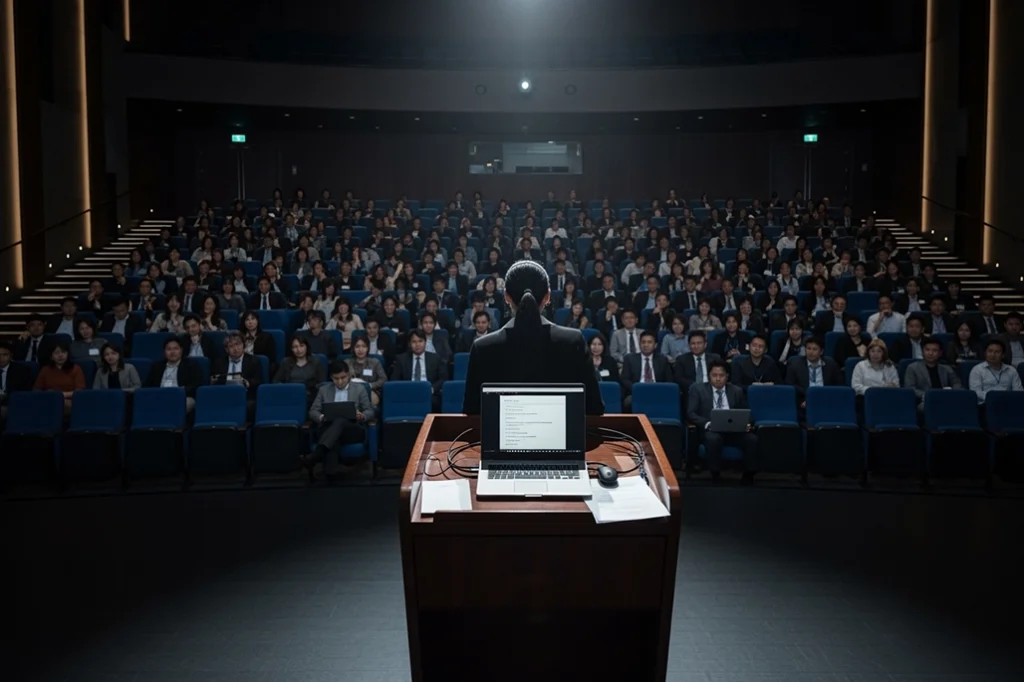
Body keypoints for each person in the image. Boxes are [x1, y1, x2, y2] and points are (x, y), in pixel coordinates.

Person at [462, 260, 604, 415]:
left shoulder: (482, 347)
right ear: (547, 296)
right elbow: (594, 409)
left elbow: (471, 413)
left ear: (506, 297)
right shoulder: (573, 341)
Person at [686, 359, 757, 484]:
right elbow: (691, 414)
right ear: (709, 376)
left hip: (733, 431)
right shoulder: (698, 389)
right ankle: (715, 474)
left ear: (727, 377)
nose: (718, 379)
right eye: (714, 375)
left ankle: (749, 475)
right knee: (713, 439)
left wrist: (747, 424)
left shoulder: (736, 391)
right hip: (711, 430)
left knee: (752, 439)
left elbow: (746, 413)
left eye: (721, 375)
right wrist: (708, 424)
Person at [302, 360, 375, 481]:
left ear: (349, 375)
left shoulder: (359, 389)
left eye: (343, 377)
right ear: (331, 377)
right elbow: (313, 411)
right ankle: (331, 476)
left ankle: (317, 454)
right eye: (336, 378)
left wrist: (362, 415)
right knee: (333, 437)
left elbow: (370, 411)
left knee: (340, 421)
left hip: (352, 430)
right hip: (328, 428)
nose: (340, 382)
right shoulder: (324, 390)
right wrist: (321, 417)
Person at [391, 330, 447, 411]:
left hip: (428, 393)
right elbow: (394, 380)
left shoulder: (435, 358)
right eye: (414, 342)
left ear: (425, 342)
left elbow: (443, 378)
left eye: (420, 341)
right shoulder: (401, 359)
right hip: (408, 393)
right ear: (409, 344)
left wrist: (432, 388)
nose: (417, 345)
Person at [144, 336, 202, 412]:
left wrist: (182, 390)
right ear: (164, 352)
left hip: (182, 396)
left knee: (184, 403)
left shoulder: (191, 365)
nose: (172, 352)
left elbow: (196, 384)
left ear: (181, 350)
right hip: (160, 396)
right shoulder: (157, 367)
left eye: (175, 349)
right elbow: (147, 385)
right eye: (169, 349)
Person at [210, 332, 263, 414]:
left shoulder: (253, 361)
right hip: (224, 395)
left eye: (238, 344)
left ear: (243, 345)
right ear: (226, 350)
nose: (236, 348)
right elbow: (215, 380)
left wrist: (247, 383)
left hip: (245, 396)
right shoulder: (219, 363)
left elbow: (259, 381)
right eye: (231, 346)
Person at [785, 337, 843, 408]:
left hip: (827, 400)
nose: (811, 352)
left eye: (814, 349)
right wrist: (801, 401)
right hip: (804, 401)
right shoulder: (795, 365)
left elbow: (839, 385)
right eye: (808, 348)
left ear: (821, 351)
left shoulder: (830, 364)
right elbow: (790, 386)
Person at [620, 330, 672, 408]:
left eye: (649, 342)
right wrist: (638, 389)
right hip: (637, 392)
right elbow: (624, 379)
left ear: (655, 345)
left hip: (657, 392)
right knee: (628, 401)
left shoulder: (662, 360)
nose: (646, 345)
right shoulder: (630, 359)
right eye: (643, 342)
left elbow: (669, 380)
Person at [904, 338, 961, 409]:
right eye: (927, 350)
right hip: (924, 401)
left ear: (940, 353)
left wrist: (951, 391)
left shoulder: (946, 368)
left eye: (934, 350)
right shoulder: (912, 368)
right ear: (922, 351)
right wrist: (929, 395)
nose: (930, 353)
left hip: (945, 398)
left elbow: (957, 383)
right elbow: (910, 388)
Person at [34, 340, 86, 413]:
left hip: (69, 401)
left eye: (63, 352)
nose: (60, 355)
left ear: (68, 354)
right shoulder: (45, 370)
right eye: (56, 353)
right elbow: (37, 390)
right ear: (51, 356)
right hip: (48, 400)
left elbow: (80, 391)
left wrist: (60, 395)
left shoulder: (76, 369)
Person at [273, 336, 326, 405]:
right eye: (295, 347)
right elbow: (276, 381)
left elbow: (322, 383)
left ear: (306, 347)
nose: (299, 350)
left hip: (310, 396)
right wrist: (285, 389)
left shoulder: (316, 361)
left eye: (301, 346)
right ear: (291, 349)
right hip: (290, 395)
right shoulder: (286, 362)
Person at [968, 338, 1023, 403]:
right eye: (990, 351)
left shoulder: (1011, 370)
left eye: (997, 352)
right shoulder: (977, 370)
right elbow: (976, 392)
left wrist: (1007, 399)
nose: (993, 355)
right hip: (986, 404)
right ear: (985, 353)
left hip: (1009, 403)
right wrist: (995, 398)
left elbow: (1019, 391)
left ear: (1003, 355)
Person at [346, 336, 387, 405]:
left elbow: (383, 379)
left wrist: (369, 386)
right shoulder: (347, 363)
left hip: (370, 393)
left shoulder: (375, 362)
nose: (360, 350)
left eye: (364, 346)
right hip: (351, 393)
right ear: (353, 348)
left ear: (368, 348)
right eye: (357, 346)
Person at [0, 341, 35, 418]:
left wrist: (5, 396)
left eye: (5, 355)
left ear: (11, 356)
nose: (1, 358)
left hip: (12, 404)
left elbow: (25, 392)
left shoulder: (22, 371)